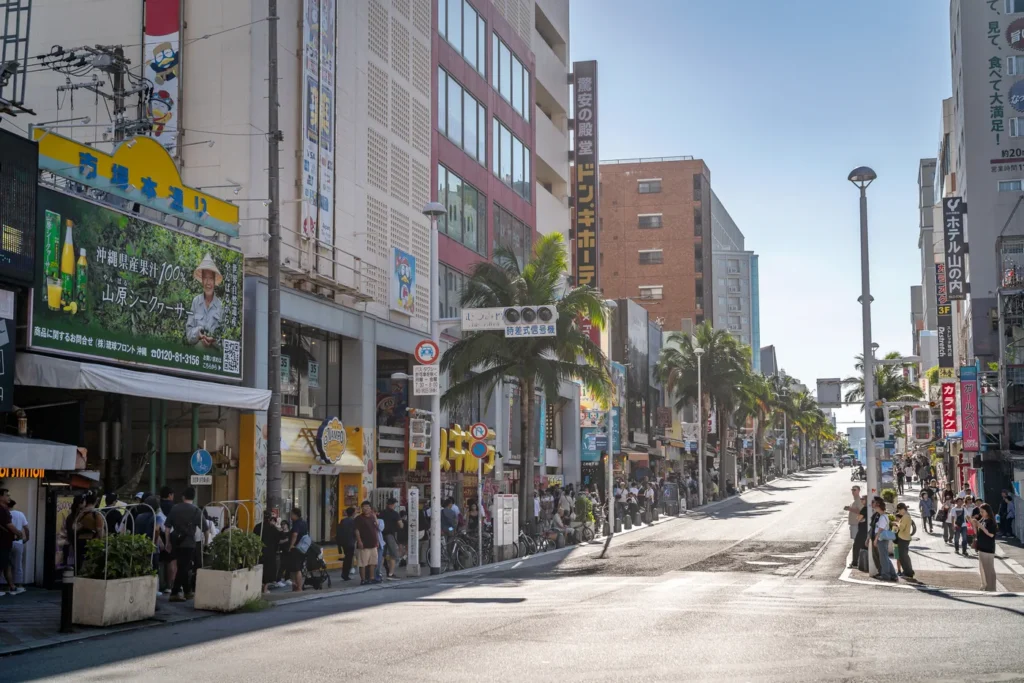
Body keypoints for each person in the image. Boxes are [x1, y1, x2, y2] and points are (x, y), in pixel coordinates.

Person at [166, 487, 202, 601]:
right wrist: (205, 543)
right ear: (193, 497)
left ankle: (187, 591)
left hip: (176, 542)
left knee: (183, 566)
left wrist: (167, 542)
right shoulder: (196, 510)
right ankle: (174, 593)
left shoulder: (175, 508)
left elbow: (167, 527)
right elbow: (205, 529)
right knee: (184, 567)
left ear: (183, 497)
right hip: (189, 543)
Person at [186, 253, 224, 347]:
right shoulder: (195, 302)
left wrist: (214, 340)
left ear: (214, 281)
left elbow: (225, 337)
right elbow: (189, 334)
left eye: (210, 278)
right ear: (202, 280)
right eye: (205, 278)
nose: (208, 283)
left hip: (214, 353)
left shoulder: (220, 305)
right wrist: (198, 334)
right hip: (197, 352)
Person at [0, 489, 23, 596]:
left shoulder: (4, 509)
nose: (9, 497)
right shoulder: (2, 510)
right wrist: (18, 533)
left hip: (6, 542)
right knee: (3, 563)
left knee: (7, 564)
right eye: (6, 495)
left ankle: (12, 586)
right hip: (3, 542)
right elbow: (9, 525)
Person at [254, 512, 283, 593]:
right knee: (268, 570)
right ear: (270, 518)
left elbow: (254, 538)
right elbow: (278, 538)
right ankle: (265, 588)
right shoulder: (272, 528)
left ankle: (259, 587)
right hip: (270, 552)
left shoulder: (258, 527)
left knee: (259, 568)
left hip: (259, 550)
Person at [871, 496, 896, 582]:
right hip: (882, 539)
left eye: (875, 504)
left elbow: (880, 530)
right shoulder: (882, 516)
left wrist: (875, 539)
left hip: (881, 539)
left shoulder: (882, 517)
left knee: (883, 558)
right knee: (885, 557)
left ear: (878, 505)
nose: (874, 506)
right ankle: (893, 575)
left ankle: (886, 575)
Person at [354, 501, 380, 585]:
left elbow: (376, 529)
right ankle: (363, 579)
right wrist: (359, 541)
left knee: (373, 562)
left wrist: (377, 541)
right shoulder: (359, 518)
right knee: (363, 563)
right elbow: (357, 530)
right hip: (364, 544)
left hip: (373, 543)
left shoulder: (372, 517)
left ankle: (371, 578)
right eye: (364, 507)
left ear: (370, 508)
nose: (365, 508)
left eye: (367, 507)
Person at [7, 499, 29, 594]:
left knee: (6, 564)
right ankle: (18, 584)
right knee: (18, 564)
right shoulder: (20, 514)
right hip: (18, 543)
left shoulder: (4, 514)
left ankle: (6, 584)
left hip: (6, 542)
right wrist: (27, 538)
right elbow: (26, 528)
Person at [976, 503, 998, 591]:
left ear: (987, 511)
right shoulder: (983, 520)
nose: (981, 513)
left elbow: (991, 534)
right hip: (981, 546)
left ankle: (991, 587)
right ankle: (984, 585)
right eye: (980, 511)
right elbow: (978, 532)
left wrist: (981, 527)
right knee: (982, 568)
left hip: (988, 548)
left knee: (989, 569)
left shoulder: (991, 522)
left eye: (982, 511)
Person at [286, 508, 308, 592]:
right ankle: (295, 586)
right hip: (303, 548)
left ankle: (298, 587)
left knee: (296, 568)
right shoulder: (304, 523)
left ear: (295, 515)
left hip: (296, 548)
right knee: (297, 568)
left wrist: (291, 545)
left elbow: (295, 534)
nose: (291, 516)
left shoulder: (297, 524)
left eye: (292, 514)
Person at [379, 498, 402, 579]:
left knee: (382, 555)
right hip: (390, 535)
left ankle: (379, 573)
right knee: (393, 555)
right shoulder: (395, 514)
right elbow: (400, 525)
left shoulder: (381, 513)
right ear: (392, 504)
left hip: (381, 535)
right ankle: (391, 574)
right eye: (394, 504)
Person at [894, 503, 915, 580]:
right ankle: (908, 571)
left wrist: (897, 523)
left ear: (902, 509)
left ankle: (908, 572)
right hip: (905, 538)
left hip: (903, 538)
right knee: (904, 556)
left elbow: (902, 528)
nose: (899, 512)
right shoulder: (907, 515)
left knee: (903, 556)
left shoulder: (905, 517)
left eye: (899, 510)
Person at [336, 507, 357, 581]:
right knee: (349, 559)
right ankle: (345, 574)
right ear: (353, 513)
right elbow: (355, 532)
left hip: (344, 542)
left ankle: (345, 573)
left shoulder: (343, 521)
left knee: (347, 558)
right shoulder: (353, 521)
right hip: (350, 542)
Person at [850, 496, 868, 570]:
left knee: (856, 546)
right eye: (861, 499)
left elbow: (858, 518)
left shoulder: (865, 509)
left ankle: (855, 563)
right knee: (864, 546)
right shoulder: (869, 509)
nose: (861, 500)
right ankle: (863, 563)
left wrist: (860, 518)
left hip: (862, 531)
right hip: (866, 530)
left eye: (863, 499)